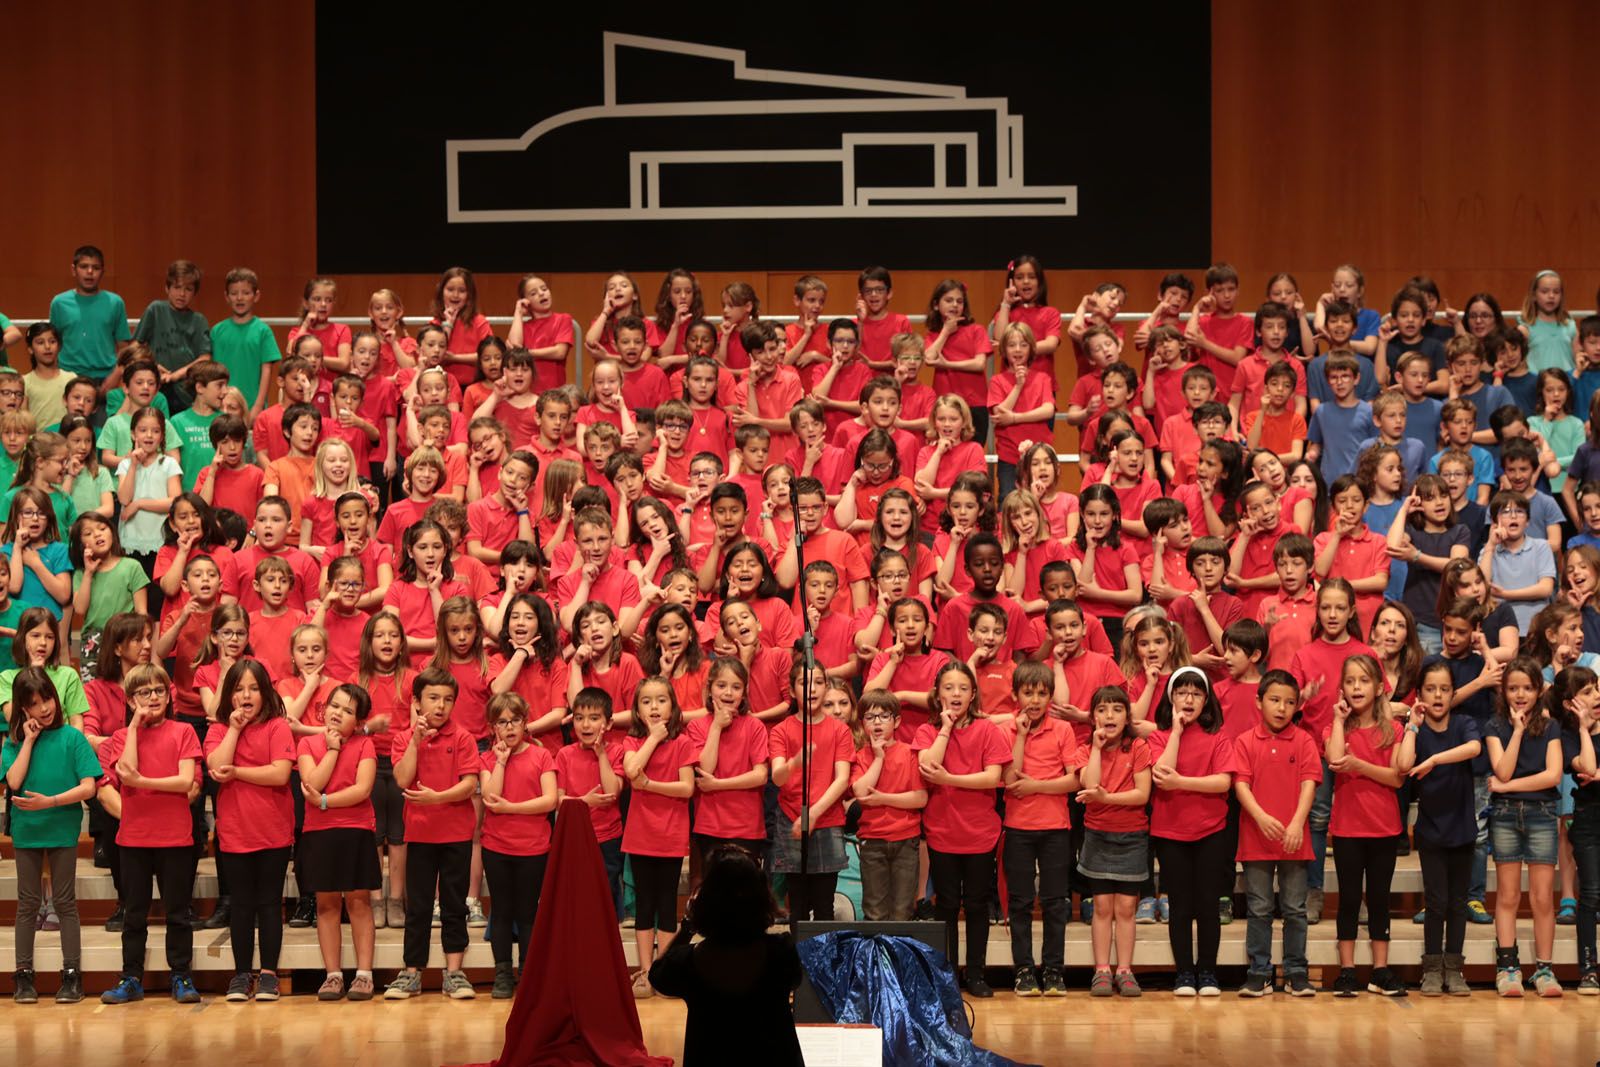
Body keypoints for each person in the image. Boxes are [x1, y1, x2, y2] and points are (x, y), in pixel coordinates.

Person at [97, 663, 203, 1005]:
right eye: (144, 693)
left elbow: (185, 781)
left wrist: (143, 784)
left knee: (178, 911)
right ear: (131, 700)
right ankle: (131, 978)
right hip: (134, 838)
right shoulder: (119, 738)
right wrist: (132, 728)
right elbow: (124, 771)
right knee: (134, 913)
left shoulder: (183, 731)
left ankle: (181, 976)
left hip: (175, 837)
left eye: (159, 690)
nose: (153, 697)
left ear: (169, 694)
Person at [649, 844, 804, 1067]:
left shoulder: (687, 962)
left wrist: (686, 927)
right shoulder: (781, 952)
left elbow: (658, 976)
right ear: (762, 898)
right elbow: (795, 980)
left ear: (705, 901)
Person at [3, 667, 100, 1004]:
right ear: (23, 709)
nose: (44, 708)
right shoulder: (15, 741)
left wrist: (52, 802)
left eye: (46, 699)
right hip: (27, 831)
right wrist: (28, 740)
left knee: (65, 902)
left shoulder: (73, 738)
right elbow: (14, 782)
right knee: (28, 903)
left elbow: (89, 786)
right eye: (34, 704)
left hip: (62, 828)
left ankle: (72, 975)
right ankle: (24, 976)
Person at [204, 659, 295, 1003]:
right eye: (239, 688)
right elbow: (217, 766)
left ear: (265, 692)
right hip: (235, 832)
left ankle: (269, 974)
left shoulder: (277, 727)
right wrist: (234, 730)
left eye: (254, 688)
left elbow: (280, 774)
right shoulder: (217, 731)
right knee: (241, 905)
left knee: (269, 904)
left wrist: (239, 773)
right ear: (228, 695)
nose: (246, 695)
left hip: (273, 830)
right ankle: (242, 974)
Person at [1233, 670, 1319, 997]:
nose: (1281, 708)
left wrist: (1297, 822)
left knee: (1295, 908)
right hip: (1256, 838)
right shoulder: (1245, 741)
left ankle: (1296, 970)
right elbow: (1240, 783)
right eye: (1274, 700)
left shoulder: (1304, 740)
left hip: (1294, 840)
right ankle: (1259, 971)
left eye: (1289, 702)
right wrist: (1260, 816)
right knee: (1259, 908)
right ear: (1259, 702)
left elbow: (1309, 782)